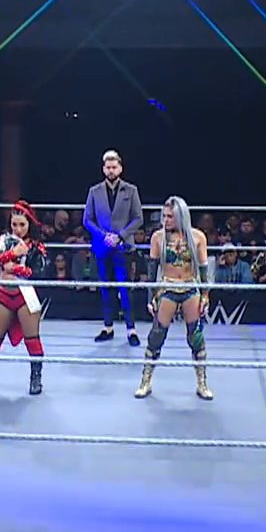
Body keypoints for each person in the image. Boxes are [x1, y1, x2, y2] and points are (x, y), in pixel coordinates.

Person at [138, 197, 214, 401]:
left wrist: (205, 296)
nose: (166, 220)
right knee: (156, 335)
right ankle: (145, 381)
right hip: (168, 286)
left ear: (181, 216)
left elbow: (204, 270)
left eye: (170, 216)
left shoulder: (197, 237)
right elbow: (152, 271)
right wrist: (151, 298)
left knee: (195, 336)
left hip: (190, 287)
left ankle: (202, 383)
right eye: (164, 216)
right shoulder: (158, 238)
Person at [0, 202, 50, 396]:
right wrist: (13, 254)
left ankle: (36, 378)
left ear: (29, 224)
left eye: (22, 224)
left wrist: (14, 268)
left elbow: (39, 272)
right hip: (4, 295)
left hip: (25, 296)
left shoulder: (36, 246)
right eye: (14, 224)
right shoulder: (3, 241)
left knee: (32, 339)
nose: (18, 229)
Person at [83, 149, 144, 346]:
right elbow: (87, 220)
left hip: (123, 247)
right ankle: (107, 327)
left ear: (120, 168)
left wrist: (120, 236)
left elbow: (138, 218)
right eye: (108, 167)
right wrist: (104, 236)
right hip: (102, 247)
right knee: (106, 289)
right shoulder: (94, 191)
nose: (111, 170)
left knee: (125, 289)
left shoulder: (131, 190)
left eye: (114, 167)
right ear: (103, 169)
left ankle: (131, 329)